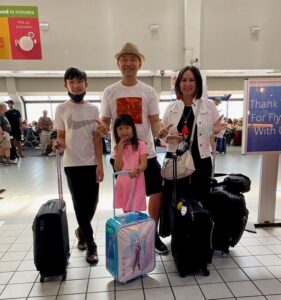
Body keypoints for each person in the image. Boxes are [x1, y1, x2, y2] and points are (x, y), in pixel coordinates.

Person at [98, 42, 169, 255]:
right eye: (124, 59)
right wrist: (102, 128)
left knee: (156, 192)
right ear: (118, 63)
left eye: (133, 59)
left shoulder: (148, 91)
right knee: (126, 195)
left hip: (146, 153)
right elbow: (105, 121)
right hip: (121, 155)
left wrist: (161, 132)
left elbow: (155, 122)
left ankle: (152, 233)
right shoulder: (110, 91)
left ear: (139, 63)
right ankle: (129, 232)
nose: (128, 63)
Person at [53, 67, 104, 264]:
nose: (76, 86)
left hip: (91, 163)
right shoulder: (61, 109)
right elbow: (62, 137)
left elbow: (97, 139)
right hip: (72, 164)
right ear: (66, 85)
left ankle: (81, 231)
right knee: (79, 205)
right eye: (71, 82)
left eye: (79, 82)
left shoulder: (93, 109)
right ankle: (91, 243)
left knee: (93, 204)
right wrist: (59, 144)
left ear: (86, 84)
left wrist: (99, 164)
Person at [161, 65, 226, 204]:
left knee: (200, 201)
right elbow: (161, 134)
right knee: (176, 201)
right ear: (178, 83)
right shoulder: (171, 107)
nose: (187, 84)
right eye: (184, 80)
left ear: (198, 83)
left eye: (192, 80)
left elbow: (220, 130)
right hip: (176, 159)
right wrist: (168, 137)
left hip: (201, 160)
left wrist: (216, 131)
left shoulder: (208, 105)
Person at [113, 114, 148, 213]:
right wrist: (119, 150)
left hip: (137, 179)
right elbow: (118, 168)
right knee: (127, 211)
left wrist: (137, 170)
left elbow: (144, 164)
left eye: (127, 128)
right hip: (124, 181)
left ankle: (136, 228)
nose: (123, 131)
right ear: (116, 131)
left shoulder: (141, 144)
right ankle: (128, 228)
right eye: (120, 129)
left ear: (133, 129)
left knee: (136, 209)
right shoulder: (117, 148)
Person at [0, 101, 12, 166]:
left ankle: (1, 160)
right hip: (3, 133)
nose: (6, 107)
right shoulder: (0, 115)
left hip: (5, 132)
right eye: (5, 106)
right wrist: (2, 133)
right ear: (2, 107)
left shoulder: (3, 114)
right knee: (7, 147)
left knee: (2, 147)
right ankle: (8, 161)